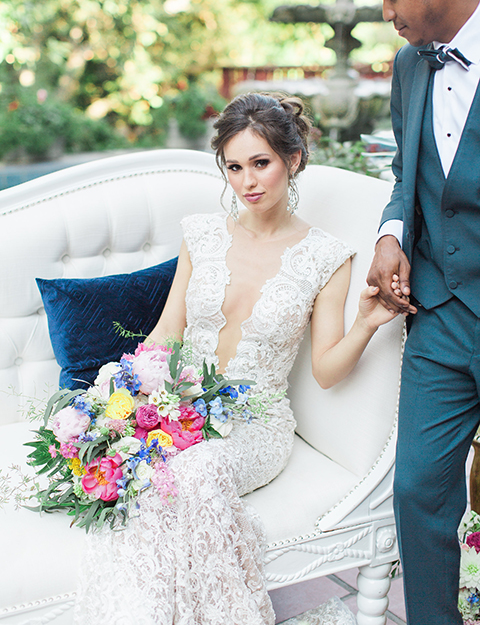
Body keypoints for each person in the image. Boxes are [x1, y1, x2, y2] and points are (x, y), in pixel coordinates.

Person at [74, 92, 395, 625]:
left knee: (190, 471)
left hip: (256, 423)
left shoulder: (326, 256)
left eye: (261, 163)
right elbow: (167, 333)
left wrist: (365, 323)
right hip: (182, 411)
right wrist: (117, 398)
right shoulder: (199, 233)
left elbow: (326, 371)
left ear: (293, 160)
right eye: (234, 166)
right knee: (159, 470)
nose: (248, 181)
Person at [364, 0, 480, 623]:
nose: (386, 14)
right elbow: (407, 169)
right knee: (418, 491)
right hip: (436, 313)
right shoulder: (410, 65)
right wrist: (390, 232)